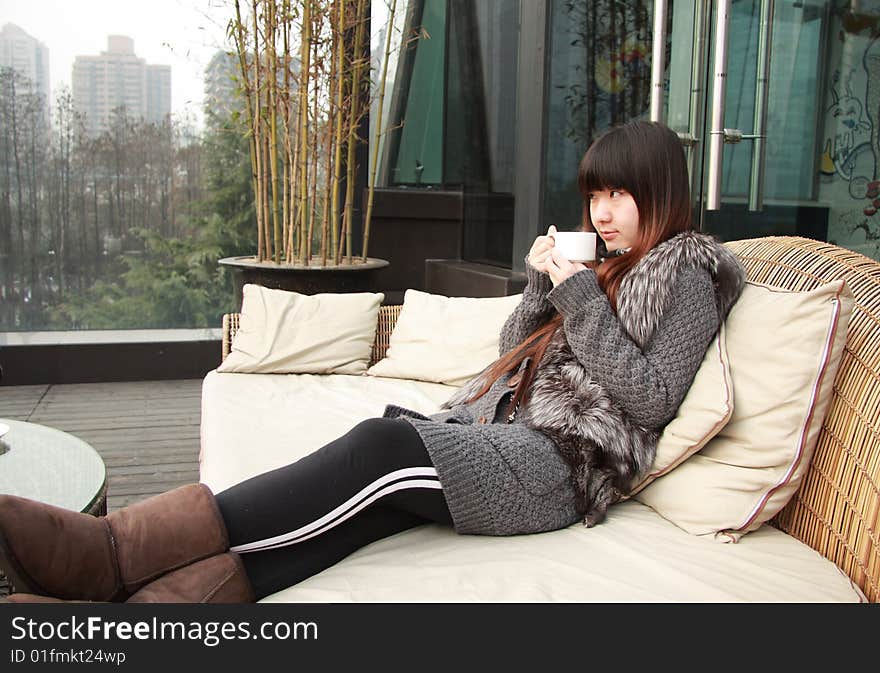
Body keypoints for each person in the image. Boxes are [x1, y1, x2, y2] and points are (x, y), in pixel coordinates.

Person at [0, 120, 745, 604]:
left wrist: (579, 294)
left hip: (558, 469)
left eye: (618, 193)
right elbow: (509, 353)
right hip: (505, 431)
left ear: (660, 191)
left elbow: (650, 400)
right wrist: (538, 284)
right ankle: (148, 610)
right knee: (373, 505)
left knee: (381, 450)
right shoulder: (607, 268)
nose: (602, 212)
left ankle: (114, 549)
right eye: (594, 196)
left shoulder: (686, 274)